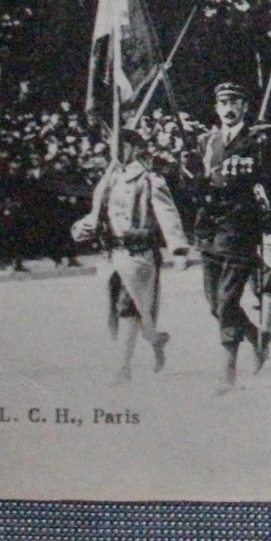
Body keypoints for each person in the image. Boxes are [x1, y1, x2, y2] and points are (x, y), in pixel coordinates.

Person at [192, 82, 271, 389]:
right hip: (209, 227)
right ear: (216, 108)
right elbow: (198, 186)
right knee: (215, 304)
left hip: (240, 227)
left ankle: (228, 372)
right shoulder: (206, 142)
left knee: (226, 301)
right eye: (223, 103)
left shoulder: (257, 141)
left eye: (234, 102)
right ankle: (253, 336)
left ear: (244, 108)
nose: (228, 108)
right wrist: (192, 178)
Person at [72, 125, 184, 382]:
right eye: (113, 145)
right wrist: (83, 227)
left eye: (121, 145)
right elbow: (99, 214)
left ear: (134, 147)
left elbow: (167, 213)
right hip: (113, 254)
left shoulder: (148, 178)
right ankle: (155, 340)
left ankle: (123, 368)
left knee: (128, 309)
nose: (116, 150)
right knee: (122, 311)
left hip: (139, 254)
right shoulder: (110, 178)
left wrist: (178, 247)